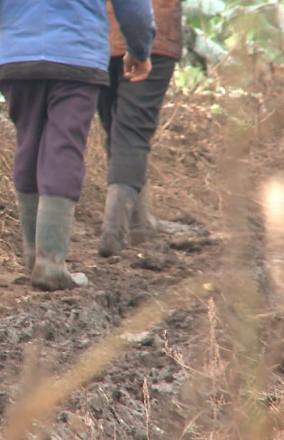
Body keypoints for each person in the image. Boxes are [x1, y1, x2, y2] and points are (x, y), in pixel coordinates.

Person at [0, 1, 156, 291]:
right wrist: (140, 49)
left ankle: (33, 257)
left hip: (16, 54)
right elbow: (134, 8)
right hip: (76, 54)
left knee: (28, 142)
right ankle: (50, 261)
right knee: (63, 147)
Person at [97, 0, 183, 257]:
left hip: (97, 35)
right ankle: (114, 228)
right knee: (131, 131)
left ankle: (140, 221)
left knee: (115, 128)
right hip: (154, 32)